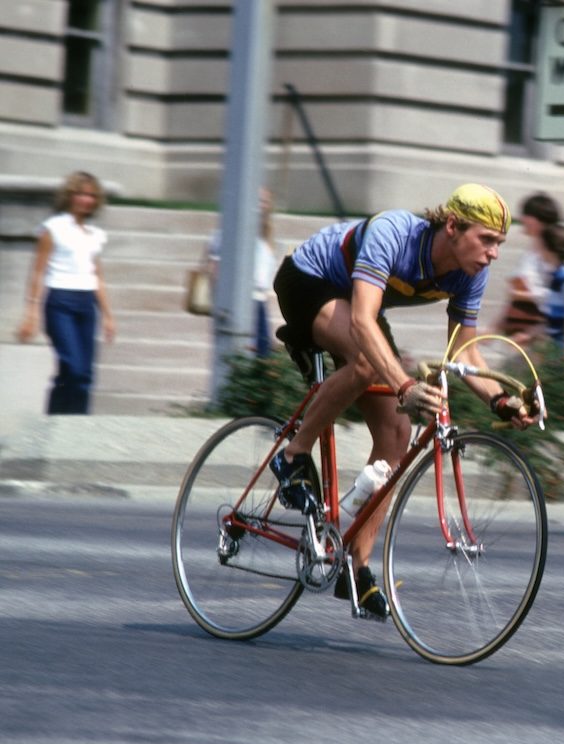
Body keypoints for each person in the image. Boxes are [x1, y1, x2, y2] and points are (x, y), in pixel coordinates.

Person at [269, 183, 540, 620]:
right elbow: (361, 320)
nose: (493, 253)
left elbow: (463, 351)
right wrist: (405, 387)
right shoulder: (394, 233)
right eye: (486, 240)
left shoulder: (471, 272)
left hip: (357, 306)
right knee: (364, 364)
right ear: (452, 226)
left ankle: (355, 569)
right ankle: (293, 455)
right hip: (308, 283)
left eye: (500, 244)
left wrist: (503, 403)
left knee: (397, 432)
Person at [15, 171, 116, 414]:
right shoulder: (53, 228)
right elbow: (37, 273)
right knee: (73, 366)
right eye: (81, 194)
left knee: (84, 375)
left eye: (91, 195)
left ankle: (74, 426)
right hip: (60, 302)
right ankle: (54, 421)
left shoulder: (94, 234)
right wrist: (31, 313)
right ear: (70, 196)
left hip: (86, 303)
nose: (86, 200)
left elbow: (97, 276)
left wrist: (108, 315)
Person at [203, 187, 277, 357]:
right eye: (257, 200)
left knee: (262, 359)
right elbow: (215, 270)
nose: (261, 206)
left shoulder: (265, 235)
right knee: (243, 359)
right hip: (241, 302)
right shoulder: (227, 233)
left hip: (259, 305)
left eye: (264, 202)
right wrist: (221, 305)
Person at [495, 192, 561, 345]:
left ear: (536, 220)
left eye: (526, 214)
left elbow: (560, 292)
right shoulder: (533, 249)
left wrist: (525, 295)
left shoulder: (551, 251)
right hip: (525, 330)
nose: (522, 219)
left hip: (543, 330)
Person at [539, 224, 564, 349]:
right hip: (555, 344)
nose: (539, 250)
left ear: (550, 249)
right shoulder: (557, 275)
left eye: (541, 246)